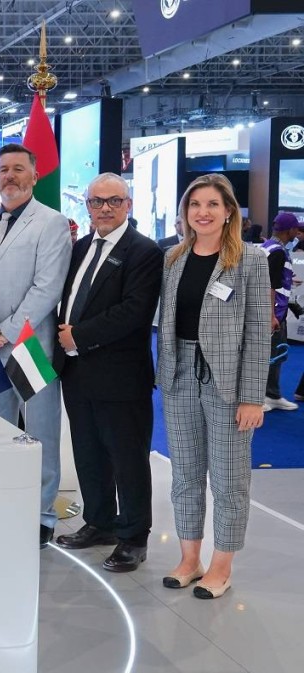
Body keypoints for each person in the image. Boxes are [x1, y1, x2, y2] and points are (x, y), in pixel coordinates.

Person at [158, 173, 271, 599]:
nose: (202, 212)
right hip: (179, 376)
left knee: (228, 479)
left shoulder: (250, 260)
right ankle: (190, 559)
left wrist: (252, 397)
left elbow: (259, 332)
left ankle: (221, 566)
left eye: (212, 205)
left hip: (229, 382)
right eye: (194, 204)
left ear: (228, 213)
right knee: (185, 475)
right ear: (185, 212)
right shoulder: (173, 258)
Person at [51, 174, 163, 573]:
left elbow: (134, 311)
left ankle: (133, 537)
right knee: (89, 453)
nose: (105, 208)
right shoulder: (81, 247)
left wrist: (79, 336)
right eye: (96, 201)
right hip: (77, 371)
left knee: (127, 458)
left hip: (120, 375)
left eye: (114, 201)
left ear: (128, 205)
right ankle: (99, 522)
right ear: (87, 206)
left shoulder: (144, 251)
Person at [0, 143, 72, 549]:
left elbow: (48, 286)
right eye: (3, 170)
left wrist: (8, 330)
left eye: (17, 169)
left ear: (34, 175)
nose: (9, 176)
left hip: (30, 345)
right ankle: (0, 504)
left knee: (40, 431)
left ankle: (42, 514)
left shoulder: (51, 222)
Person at [262, 212, 299, 412]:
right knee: (268, 356)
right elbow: (269, 284)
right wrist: (270, 316)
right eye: (296, 228)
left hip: (276, 312)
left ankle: (272, 394)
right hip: (273, 313)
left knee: (276, 354)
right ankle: (260, 397)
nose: (298, 232)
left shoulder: (268, 246)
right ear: (289, 230)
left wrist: (288, 279)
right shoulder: (277, 251)